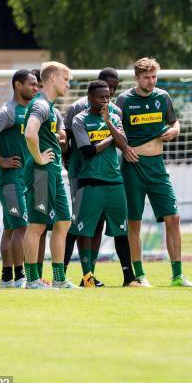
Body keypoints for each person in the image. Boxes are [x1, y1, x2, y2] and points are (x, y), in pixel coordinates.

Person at [116, 57, 192, 287]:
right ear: (136, 77)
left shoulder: (162, 97)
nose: (151, 81)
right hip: (132, 168)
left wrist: (173, 131)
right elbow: (113, 131)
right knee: (134, 222)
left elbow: (175, 123)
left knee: (173, 217)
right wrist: (125, 148)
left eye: (154, 77)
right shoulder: (124, 100)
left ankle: (178, 275)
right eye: (146, 77)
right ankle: (140, 275)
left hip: (157, 166)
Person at [70, 80, 140, 287]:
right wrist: (112, 139)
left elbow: (124, 144)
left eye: (108, 97)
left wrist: (109, 124)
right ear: (90, 98)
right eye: (101, 97)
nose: (105, 100)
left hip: (115, 182)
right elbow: (88, 151)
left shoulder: (115, 116)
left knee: (121, 230)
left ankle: (129, 278)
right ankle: (87, 277)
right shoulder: (79, 119)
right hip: (89, 182)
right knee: (85, 231)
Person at [63, 68, 122, 280]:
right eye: (108, 87)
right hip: (81, 173)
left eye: (114, 88)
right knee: (79, 224)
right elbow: (67, 139)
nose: (111, 92)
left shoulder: (115, 112)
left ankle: (89, 274)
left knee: (98, 224)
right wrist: (67, 163)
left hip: (106, 176)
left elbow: (121, 142)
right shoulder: (77, 109)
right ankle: (63, 273)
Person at [23, 61, 76, 289]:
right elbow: (30, 133)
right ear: (52, 78)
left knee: (63, 221)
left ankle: (58, 278)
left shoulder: (51, 108)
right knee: (37, 225)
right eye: (66, 79)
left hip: (53, 173)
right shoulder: (41, 105)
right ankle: (33, 279)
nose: (68, 84)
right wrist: (38, 158)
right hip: (40, 173)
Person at [0, 69, 38, 288]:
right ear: (18, 85)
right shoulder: (9, 110)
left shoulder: (31, 111)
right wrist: (1, 160)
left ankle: (6, 277)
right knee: (21, 227)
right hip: (10, 178)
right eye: (32, 84)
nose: (36, 88)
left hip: (21, 177)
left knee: (10, 228)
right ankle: (20, 277)